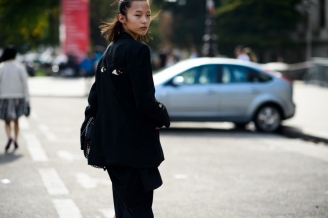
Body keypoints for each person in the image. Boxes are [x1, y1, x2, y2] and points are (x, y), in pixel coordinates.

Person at [81, 0, 170, 217]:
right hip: (134, 149)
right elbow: (145, 101)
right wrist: (163, 116)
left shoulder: (108, 53)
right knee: (139, 210)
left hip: (111, 149)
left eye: (148, 15)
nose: (144, 20)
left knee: (124, 210)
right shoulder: (138, 51)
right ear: (122, 18)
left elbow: (94, 101)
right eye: (138, 15)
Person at [0, 45, 29, 153]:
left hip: (4, 97)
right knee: (16, 119)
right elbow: (25, 84)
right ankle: (16, 139)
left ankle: (9, 137)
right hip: (18, 97)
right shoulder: (20, 67)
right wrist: (27, 99)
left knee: (7, 120)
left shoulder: (1, 67)